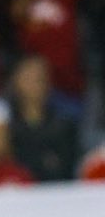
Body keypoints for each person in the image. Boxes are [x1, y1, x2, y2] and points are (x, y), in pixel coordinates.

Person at [8, 54, 79, 183]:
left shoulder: (64, 125)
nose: (35, 82)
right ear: (16, 80)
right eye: (28, 77)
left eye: (40, 77)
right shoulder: (6, 127)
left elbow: (68, 170)